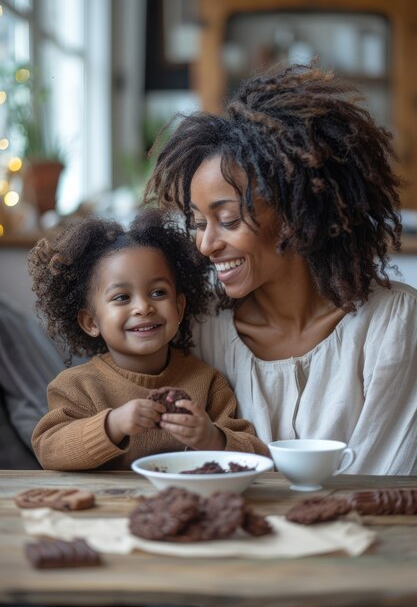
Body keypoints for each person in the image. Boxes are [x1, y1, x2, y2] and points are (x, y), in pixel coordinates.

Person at [144, 62, 417, 476]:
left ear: (295, 216)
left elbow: (383, 478)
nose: (206, 243)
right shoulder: (201, 329)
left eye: (229, 220)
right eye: (199, 223)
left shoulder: (393, 323)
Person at [29, 208, 268, 470]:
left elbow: (256, 454)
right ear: (91, 322)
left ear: (178, 307)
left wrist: (211, 437)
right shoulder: (76, 387)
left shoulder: (208, 382)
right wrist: (113, 425)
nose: (143, 307)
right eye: (122, 297)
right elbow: (50, 450)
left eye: (157, 292)